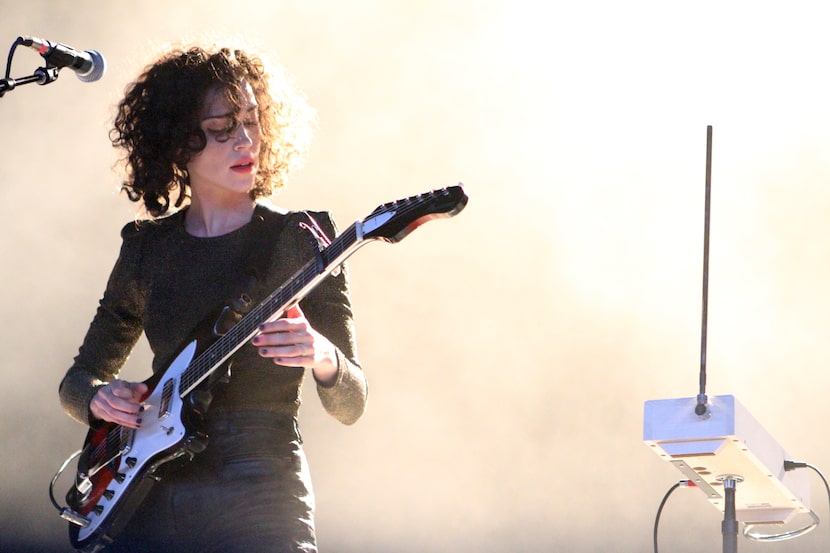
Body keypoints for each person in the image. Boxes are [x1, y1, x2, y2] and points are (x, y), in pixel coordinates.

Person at [58, 42, 368, 553]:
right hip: (153, 488)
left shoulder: (302, 238)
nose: (245, 140)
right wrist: (99, 397)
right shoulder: (146, 249)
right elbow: (78, 381)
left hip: (262, 480)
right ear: (179, 144)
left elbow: (351, 404)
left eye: (252, 120)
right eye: (223, 128)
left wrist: (323, 356)